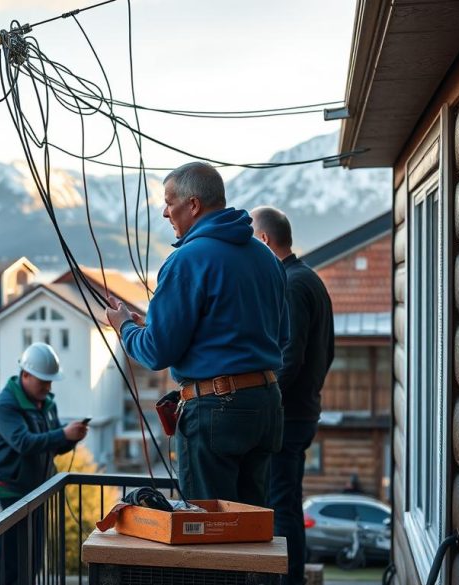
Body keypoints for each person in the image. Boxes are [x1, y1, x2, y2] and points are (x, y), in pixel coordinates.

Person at [106, 161, 287, 507]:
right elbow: (282, 336)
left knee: (209, 530)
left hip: (215, 411)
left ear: (193, 205)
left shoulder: (187, 261)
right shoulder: (266, 258)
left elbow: (157, 352)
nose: (164, 212)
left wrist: (125, 326)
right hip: (266, 405)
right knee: (253, 524)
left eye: (169, 201)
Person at [251, 205, 334, 585]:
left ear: (265, 240)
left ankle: (290, 580)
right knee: (286, 501)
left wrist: (265, 399)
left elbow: (290, 356)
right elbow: (327, 352)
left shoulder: (290, 284)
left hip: (289, 415)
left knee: (282, 506)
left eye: (252, 240)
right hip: (304, 411)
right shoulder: (310, 279)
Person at [0, 343, 88, 584]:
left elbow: (48, 444)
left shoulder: (46, 403)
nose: (48, 387)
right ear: (25, 375)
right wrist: (63, 435)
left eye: (50, 381)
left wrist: (69, 438)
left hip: (31, 495)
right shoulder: (6, 405)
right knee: (6, 567)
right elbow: (24, 443)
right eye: (43, 381)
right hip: (4, 496)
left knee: (31, 562)